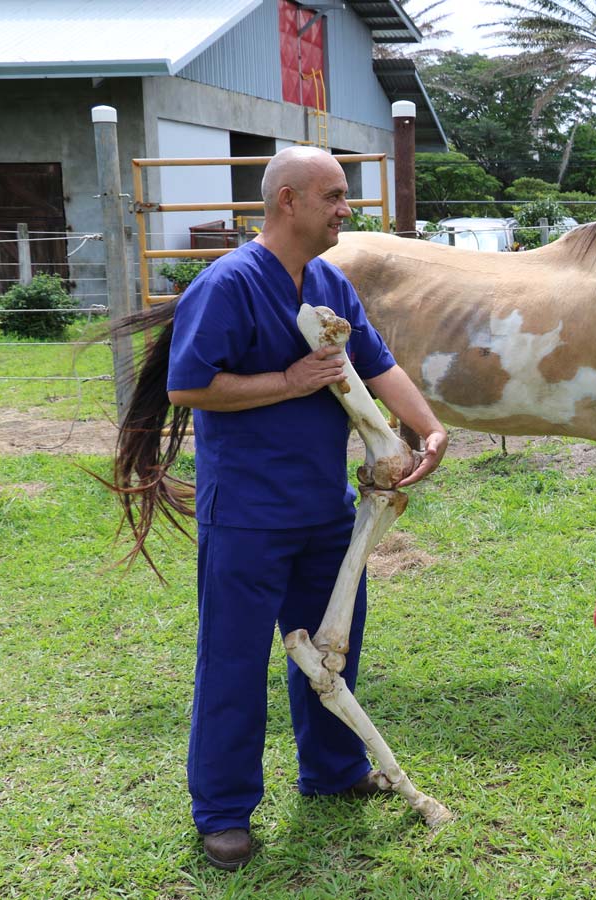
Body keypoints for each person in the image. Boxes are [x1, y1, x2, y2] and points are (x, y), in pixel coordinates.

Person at [165, 146, 448, 869]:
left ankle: (334, 771)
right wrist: (289, 381)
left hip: (326, 507)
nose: (346, 209)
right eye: (334, 195)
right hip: (247, 513)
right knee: (231, 659)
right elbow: (189, 386)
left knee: (334, 645)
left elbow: (375, 361)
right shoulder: (226, 284)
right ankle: (224, 811)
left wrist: (428, 425)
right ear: (287, 200)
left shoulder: (328, 282)